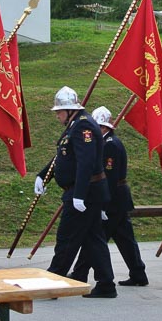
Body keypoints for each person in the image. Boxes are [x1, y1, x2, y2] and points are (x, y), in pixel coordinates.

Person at [34, 87, 117, 298]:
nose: (57, 116)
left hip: (85, 192)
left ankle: (53, 283)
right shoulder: (75, 125)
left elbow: (86, 162)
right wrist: (43, 176)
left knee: (67, 238)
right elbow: (63, 156)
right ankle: (106, 284)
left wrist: (79, 194)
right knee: (93, 240)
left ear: (70, 110)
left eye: (59, 112)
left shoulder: (83, 126)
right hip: (85, 191)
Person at [70, 106, 149, 286]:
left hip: (113, 200)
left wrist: (104, 205)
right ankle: (138, 273)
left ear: (104, 127)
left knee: (95, 239)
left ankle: (80, 273)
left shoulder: (110, 145)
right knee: (125, 239)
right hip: (118, 199)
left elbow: (110, 177)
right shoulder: (107, 142)